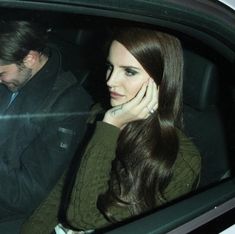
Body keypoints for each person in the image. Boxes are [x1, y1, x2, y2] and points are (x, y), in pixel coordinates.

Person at [21, 27, 201, 234]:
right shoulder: (100, 114)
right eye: (110, 67)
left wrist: (111, 127)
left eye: (129, 71)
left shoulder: (182, 160)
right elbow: (64, 187)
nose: (110, 80)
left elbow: (82, 217)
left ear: (162, 80)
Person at [0, 20, 93, 233]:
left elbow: (28, 195)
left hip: (12, 211)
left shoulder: (67, 105)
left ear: (30, 58)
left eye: (1, 74)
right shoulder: (14, 79)